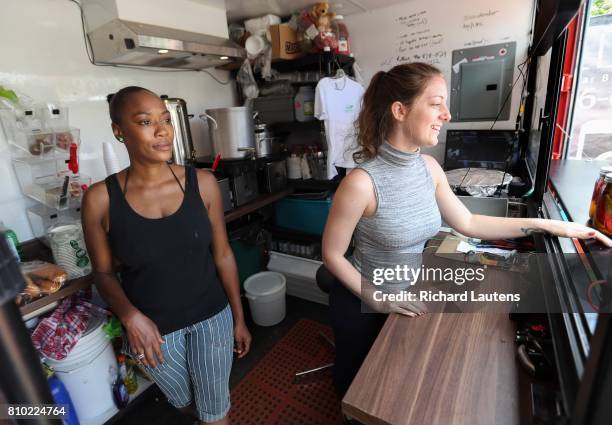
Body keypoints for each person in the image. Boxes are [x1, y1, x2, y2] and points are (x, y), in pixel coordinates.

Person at [321, 63, 612, 397]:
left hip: (406, 295)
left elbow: (468, 222)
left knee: (392, 384)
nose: (446, 115)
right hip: (363, 301)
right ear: (400, 110)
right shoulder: (360, 183)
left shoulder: (429, 167)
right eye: (436, 103)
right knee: (356, 386)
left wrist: (545, 225)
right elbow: (331, 254)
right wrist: (380, 298)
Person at [82, 86, 251, 425]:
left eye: (165, 120)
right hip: (153, 330)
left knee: (216, 411)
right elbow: (102, 273)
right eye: (146, 122)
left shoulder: (202, 183)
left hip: (211, 317)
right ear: (119, 131)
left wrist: (238, 315)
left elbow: (222, 255)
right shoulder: (100, 199)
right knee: (184, 400)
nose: (162, 131)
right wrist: (130, 317)